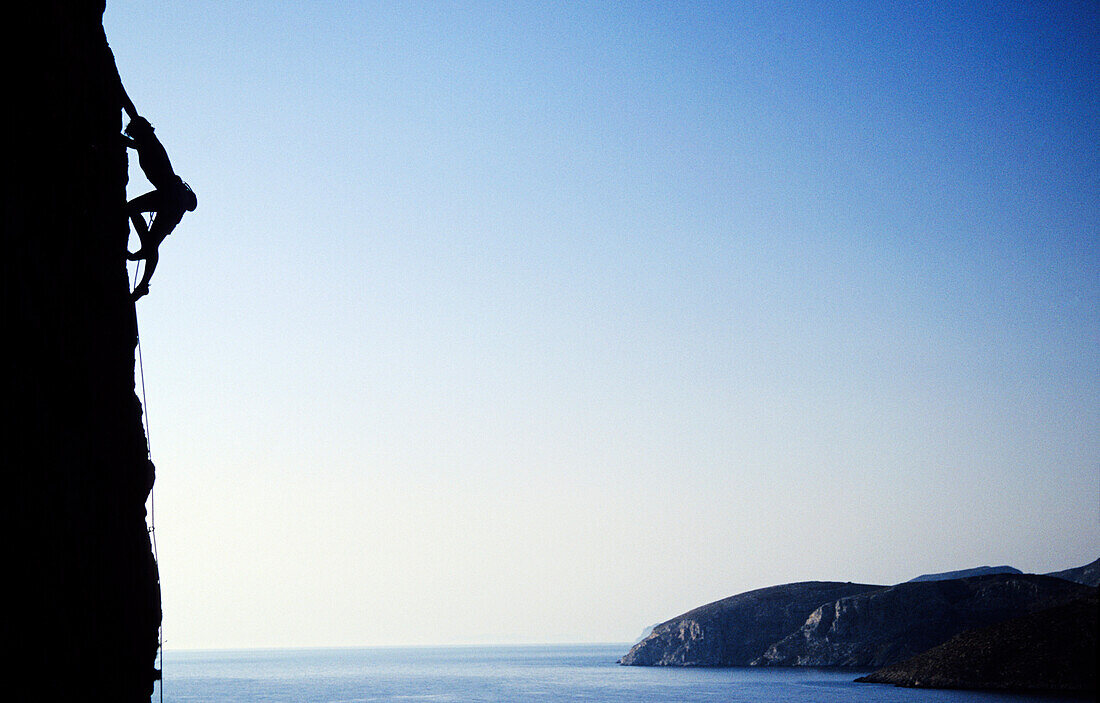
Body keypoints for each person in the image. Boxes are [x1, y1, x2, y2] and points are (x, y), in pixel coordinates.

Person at [122, 116, 196, 300]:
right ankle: (143, 280)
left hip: (169, 195)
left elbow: (130, 142)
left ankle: (145, 257)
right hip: (171, 197)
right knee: (148, 238)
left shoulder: (148, 143)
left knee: (133, 210)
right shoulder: (147, 142)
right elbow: (131, 143)